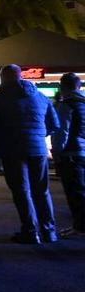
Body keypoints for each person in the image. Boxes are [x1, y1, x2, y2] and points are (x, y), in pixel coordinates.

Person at [0, 64, 61, 244]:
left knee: (22, 191)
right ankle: (49, 231)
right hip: (39, 149)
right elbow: (54, 124)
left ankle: (31, 231)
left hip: (13, 150)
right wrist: (39, 135)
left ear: (3, 78)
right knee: (42, 191)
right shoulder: (41, 97)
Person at [54, 73, 85, 235]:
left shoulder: (66, 105)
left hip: (73, 153)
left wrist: (57, 152)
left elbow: (62, 132)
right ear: (78, 86)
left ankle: (80, 226)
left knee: (75, 192)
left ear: (63, 87)